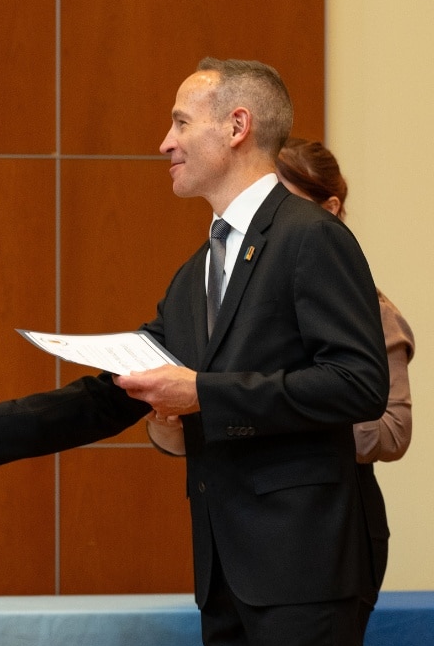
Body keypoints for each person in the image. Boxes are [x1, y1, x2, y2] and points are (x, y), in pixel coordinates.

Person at [0, 59, 390, 646]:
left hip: (302, 565)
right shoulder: (197, 273)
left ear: (238, 127)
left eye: (181, 121)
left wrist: (204, 394)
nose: (164, 141)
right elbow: (109, 395)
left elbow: (358, 382)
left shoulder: (311, 238)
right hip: (226, 571)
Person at [148, 136, 415, 596]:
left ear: (328, 210)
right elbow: (209, 407)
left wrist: (277, 415)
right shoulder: (212, 288)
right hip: (236, 529)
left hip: (327, 527)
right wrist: (178, 415)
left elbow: (392, 430)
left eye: (287, 204)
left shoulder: (369, 308)